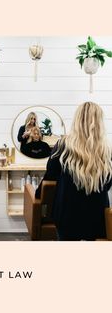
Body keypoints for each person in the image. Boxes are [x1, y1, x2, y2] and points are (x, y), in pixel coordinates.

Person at [35, 102, 112, 240]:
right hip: (97, 215)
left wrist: (37, 194)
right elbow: (107, 185)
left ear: (76, 120)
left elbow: (50, 176)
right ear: (99, 122)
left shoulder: (63, 145)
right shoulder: (106, 151)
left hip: (67, 214)